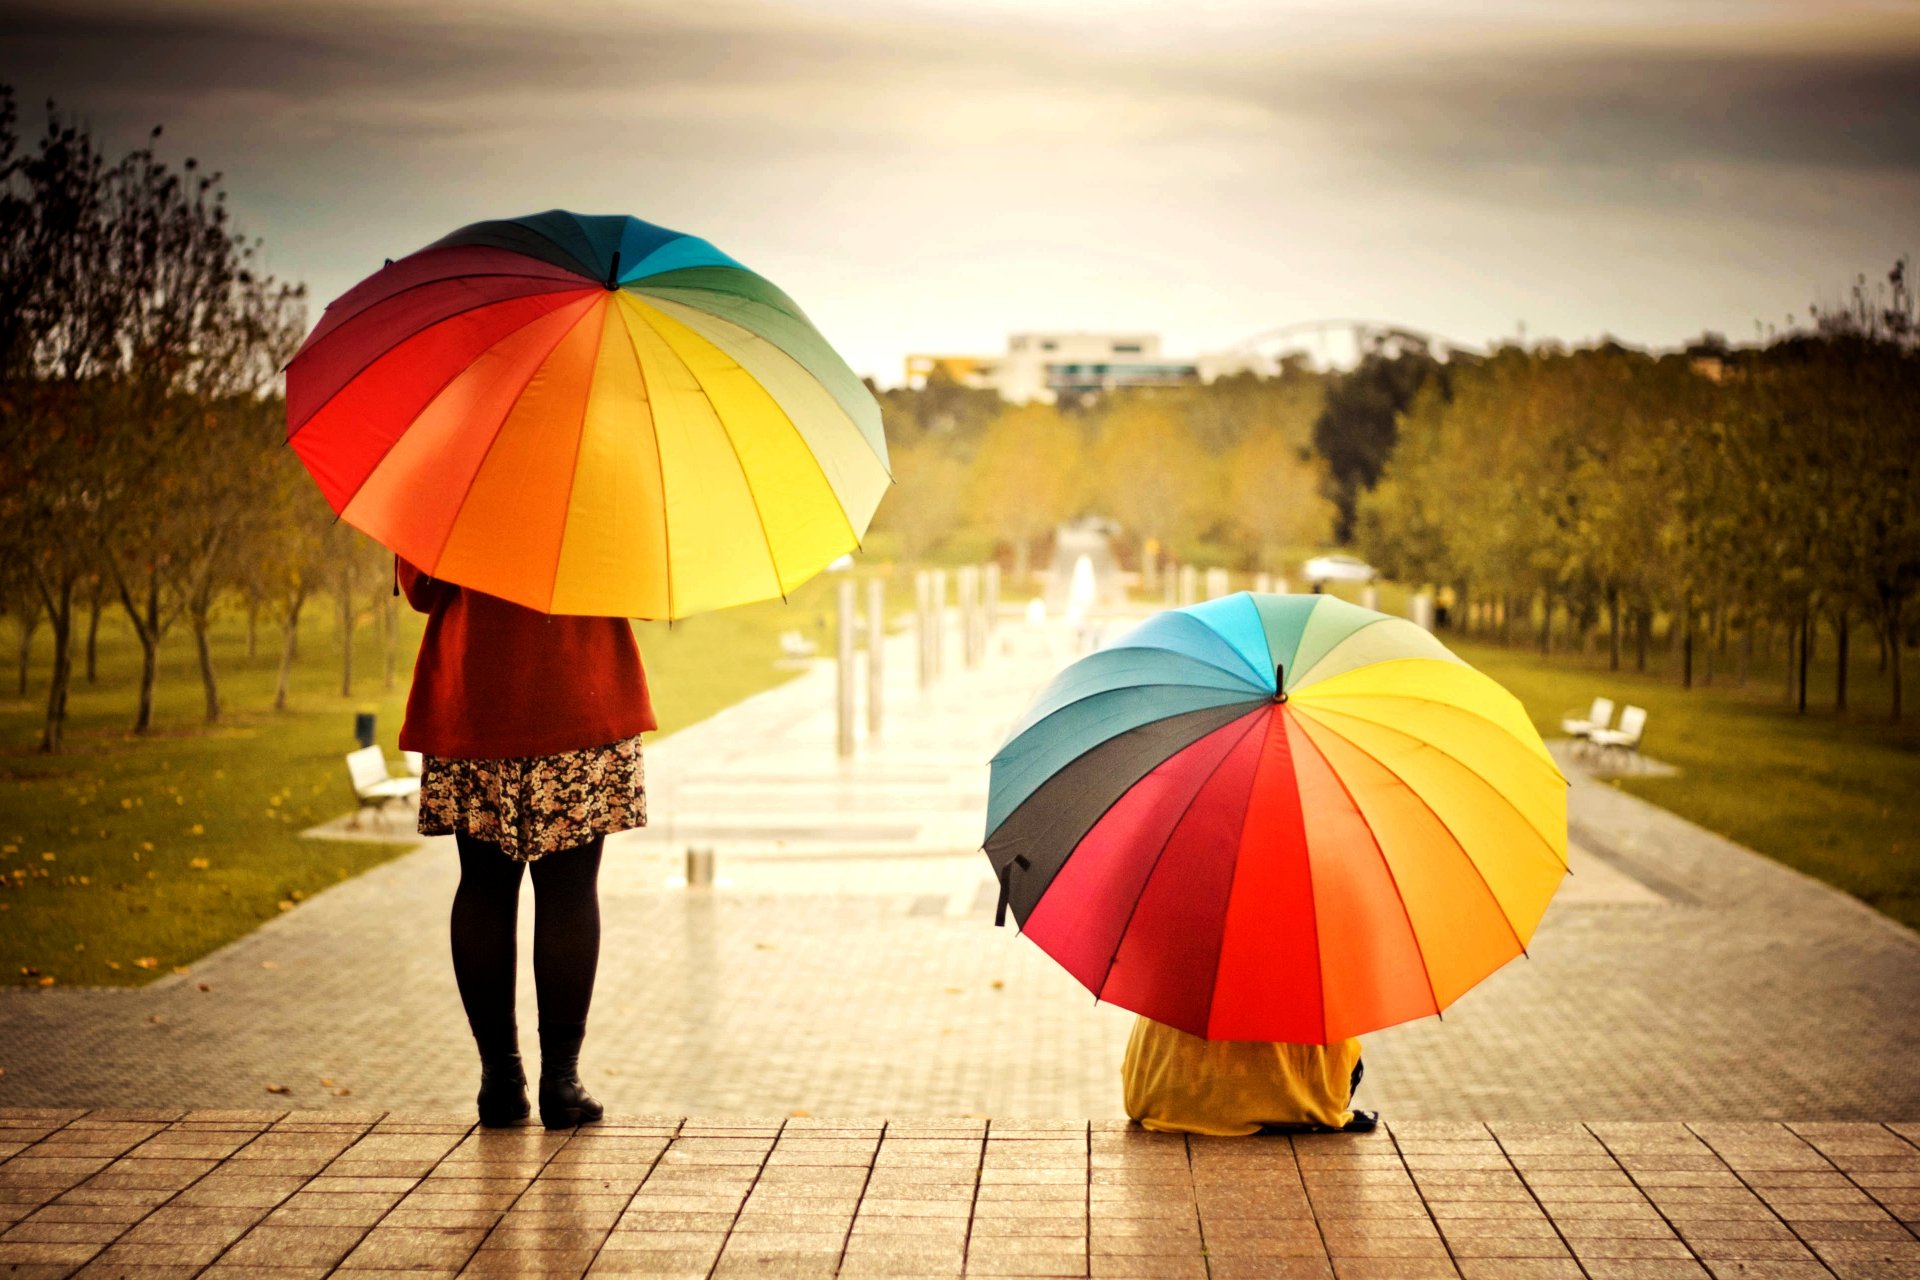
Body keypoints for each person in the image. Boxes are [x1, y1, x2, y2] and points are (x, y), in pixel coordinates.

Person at [396, 557, 657, 1129]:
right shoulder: (600, 471)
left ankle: (500, 1079)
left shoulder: (448, 473)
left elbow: (420, 588)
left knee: (484, 887)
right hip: (576, 690)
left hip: (477, 695)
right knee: (568, 892)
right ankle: (561, 1082)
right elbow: (643, 581)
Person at [1121, 1015, 1378, 1137]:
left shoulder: (1181, 950)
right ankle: (1281, 1105)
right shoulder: (1300, 958)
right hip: (1285, 1100)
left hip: (1163, 1100)